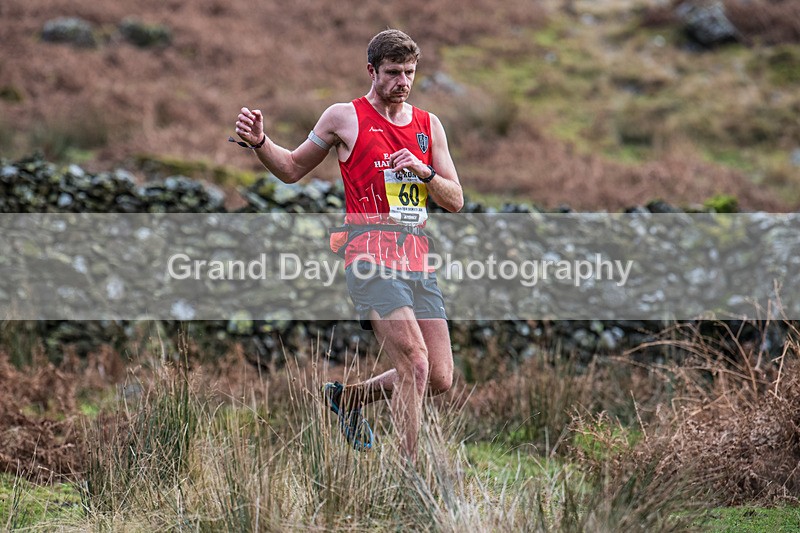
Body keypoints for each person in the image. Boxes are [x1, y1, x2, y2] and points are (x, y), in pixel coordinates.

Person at [233, 29, 463, 462]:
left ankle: (348, 399)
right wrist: (261, 142)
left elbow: (456, 200)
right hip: (369, 256)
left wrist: (424, 172)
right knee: (415, 364)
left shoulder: (429, 126)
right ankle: (410, 480)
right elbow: (291, 169)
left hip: (417, 259)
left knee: (439, 378)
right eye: (393, 73)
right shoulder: (344, 118)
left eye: (410, 73)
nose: (403, 82)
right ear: (371, 71)